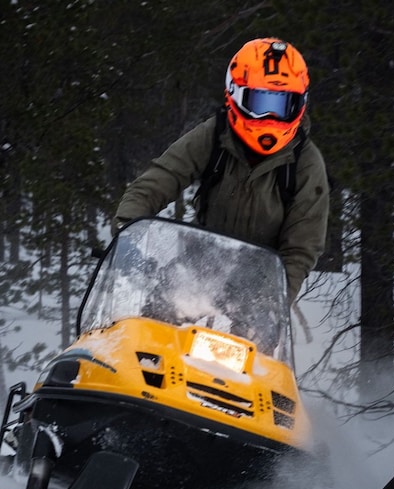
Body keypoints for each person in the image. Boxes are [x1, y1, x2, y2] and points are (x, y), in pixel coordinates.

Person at [112, 37, 329, 303]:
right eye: (261, 103)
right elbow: (159, 179)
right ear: (235, 95)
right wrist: (127, 232)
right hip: (193, 274)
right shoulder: (214, 135)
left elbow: (300, 249)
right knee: (145, 328)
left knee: (255, 344)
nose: (271, 117)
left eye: (283, 105)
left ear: (300, 105)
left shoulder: (305, 163)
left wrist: (273, 302)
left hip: (257, 292)